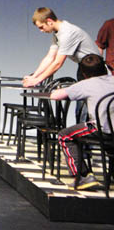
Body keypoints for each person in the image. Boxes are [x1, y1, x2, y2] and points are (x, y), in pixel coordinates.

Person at [50, 54, 114, 190]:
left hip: (102, 130)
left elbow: (55, 96)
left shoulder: (86, 84)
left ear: (84, 74)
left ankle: (82, 176)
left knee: (65, 135)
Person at [23, 8, 99, 123]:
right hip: (83, 68)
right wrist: (34, 76)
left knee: (86, 109)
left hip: (94, 70)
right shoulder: (57, 33)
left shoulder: (68, 33)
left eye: (41, 27)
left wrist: (37, 80)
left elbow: (58, 63)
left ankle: (87, 138)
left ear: (49, 21)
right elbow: (50, 57)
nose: (41, 31)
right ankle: (80, 137)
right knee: (80, 108)